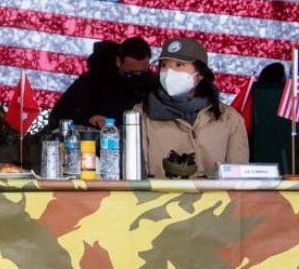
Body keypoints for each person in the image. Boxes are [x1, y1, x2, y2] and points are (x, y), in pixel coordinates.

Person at [137, 37, 248, 179]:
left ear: (200, 74)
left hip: (214, 193)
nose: (169, 72)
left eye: (179, 65)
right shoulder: (141, 114)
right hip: (159, 193)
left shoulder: (228, 117)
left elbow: (238, 176)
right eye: (164, 65)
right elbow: (137, 176)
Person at [49, 37, 153, 129]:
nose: (137, 77)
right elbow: (60, 113)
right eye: (130, 73)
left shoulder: (152, 82)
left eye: (142, 72)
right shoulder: (93, 80)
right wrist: (89, 118)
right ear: (118, 61)